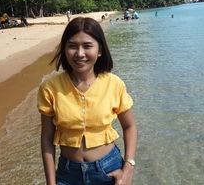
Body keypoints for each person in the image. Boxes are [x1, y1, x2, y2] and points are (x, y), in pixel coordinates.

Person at [37, 17, 137, 185]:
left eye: (87, 46)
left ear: (99, 50)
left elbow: (130, 126)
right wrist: (51, 183)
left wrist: (129, 166)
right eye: (72, 46)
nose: (80, 53)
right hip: (68, 173)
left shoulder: (114, 84)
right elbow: (47, 138)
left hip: (109, 169)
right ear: (64, 48)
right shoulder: (50, 87)